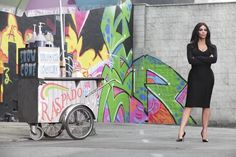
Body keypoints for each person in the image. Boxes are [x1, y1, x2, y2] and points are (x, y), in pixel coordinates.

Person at [176, 22, 217, 142]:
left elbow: (214, 59)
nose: (203, 31)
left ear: (207, 32)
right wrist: (206, 59)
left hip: (208, 78)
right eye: (201, 29)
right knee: (189, 104)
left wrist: (198, 58)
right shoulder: (190, 46)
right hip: (194, 77)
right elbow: (190, 61)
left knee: (206, 105)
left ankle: (204, 131)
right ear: (197, 32)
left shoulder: (212, 47)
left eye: (205, 30)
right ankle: (181, 131)